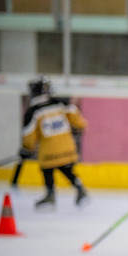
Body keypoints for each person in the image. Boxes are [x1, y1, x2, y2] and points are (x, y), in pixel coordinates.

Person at [21, 74, 89, 209]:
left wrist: (27, 148)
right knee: (67, 169)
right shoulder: (60, 103)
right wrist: (78, 126)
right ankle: (80, 188)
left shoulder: (34, 111)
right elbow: (78, 120)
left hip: (48, 150)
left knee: (47, 170)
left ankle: (50, 195)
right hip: (67, 147)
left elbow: (29, 133)